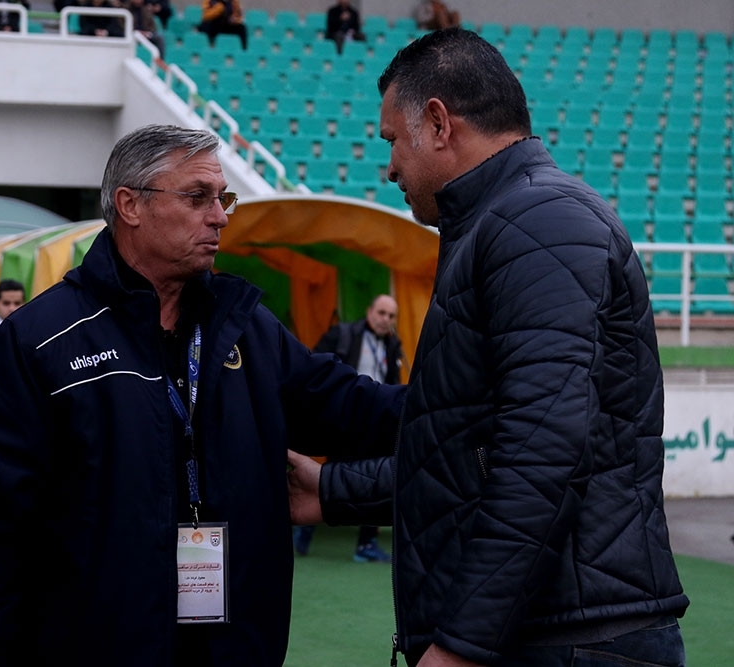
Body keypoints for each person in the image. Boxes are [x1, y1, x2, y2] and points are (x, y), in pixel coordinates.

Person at [287, 28, 689, 667]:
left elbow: (542, 454)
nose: (389, 167)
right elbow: (473, 451)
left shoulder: (539, 220)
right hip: (561, 631)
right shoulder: (509, 221)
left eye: (392, 140)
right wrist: (334, 490)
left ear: (438, 123)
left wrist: (463, 645)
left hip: (567, 640)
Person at [0, 123, 405, 666]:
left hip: (233, 649)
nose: (220, 216)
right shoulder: (41, 341)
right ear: (130, 205)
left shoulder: (244, 326)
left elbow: (354, 409)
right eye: (198, 197)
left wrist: (464, 398)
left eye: (222, 198)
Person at [293, 294, 403, 562]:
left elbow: (393, 380)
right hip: (346, 416)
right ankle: (304, 529)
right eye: (381, 313)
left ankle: (367, 544)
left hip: (377, 420)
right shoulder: (342, 334)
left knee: (373, 477)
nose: (386, 320)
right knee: (330, 474)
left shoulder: (393, 344)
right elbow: (313, 365)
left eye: (391, 316)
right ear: (369, 311)